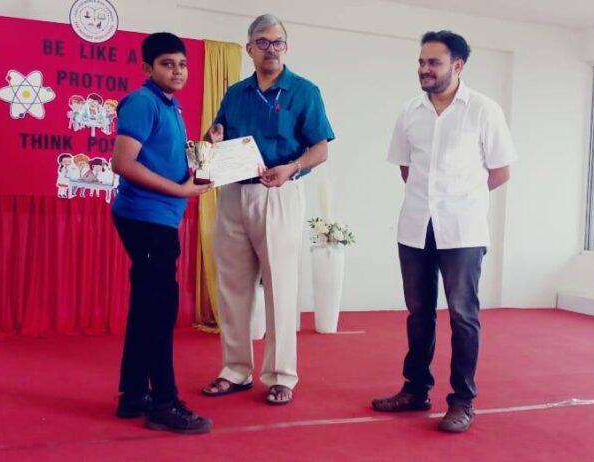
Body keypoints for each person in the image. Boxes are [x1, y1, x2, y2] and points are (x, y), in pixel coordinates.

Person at [371, 30, 517, 433]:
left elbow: (501, 171)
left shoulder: (484, 110)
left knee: (463, 316)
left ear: (457, 65)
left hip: (463, 230)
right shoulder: (410, 112)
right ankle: (415, 389)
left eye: (433, 62)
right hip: (416, 227)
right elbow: (407, 169)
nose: (424, 69)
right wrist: (432, 201)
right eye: (421, 62)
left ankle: (462, 401)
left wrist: (462, 197)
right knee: (419, 314)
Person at [201, 13, 335, 406]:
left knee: (281, 286)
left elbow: (320, 149)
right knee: (232, 287)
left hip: (279, 192)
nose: (271, 49)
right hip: (233, 194)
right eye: (263, 42)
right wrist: (214, 137)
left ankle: (280, 375)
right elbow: (217, 136)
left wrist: (292, 167)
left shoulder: (304, 91)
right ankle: (235, 369)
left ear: (286, 48)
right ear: (250, 48)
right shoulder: (235, 94)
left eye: (277, 42)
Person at [109, 32, 213, 434]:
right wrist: (181, 192)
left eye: (182, 64)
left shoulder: (170, 105)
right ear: (147, 68)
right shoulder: (143, 102)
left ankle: (135, 395)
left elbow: (167, 159)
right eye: (168, 64)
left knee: (147, 307)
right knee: (159, 312)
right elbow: (123, 163)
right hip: (147, 218)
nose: (178, 71)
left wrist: (208, 146)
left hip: (159, 218)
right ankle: (164, 404)